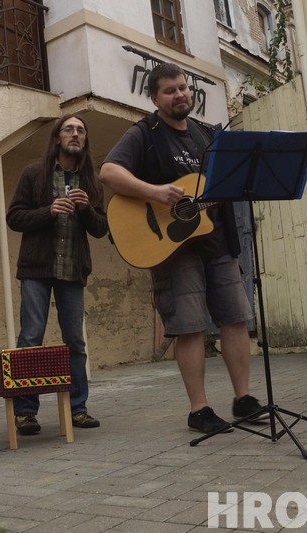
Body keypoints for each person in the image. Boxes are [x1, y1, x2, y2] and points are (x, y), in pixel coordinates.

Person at [99, 63, 266, 434]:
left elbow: (224, 184)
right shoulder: (144, 133)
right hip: (173, 249)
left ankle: (243, 399)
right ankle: (199, 409)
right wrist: (155, 192)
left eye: (183, 88)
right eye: (170, 91)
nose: (179, 95)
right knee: (189, 326)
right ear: (154, 98)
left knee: (235, 318)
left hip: (218, 242)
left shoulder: (207, 135)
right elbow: (109, 172)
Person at [6, 114, 108, 436]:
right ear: (57, 138)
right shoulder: (33, 173)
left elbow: (101, 229)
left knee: (75, 339)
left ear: (85, 140)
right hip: (36, 269)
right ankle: (25, 412)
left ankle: (78, 408)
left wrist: (86, 209)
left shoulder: (91, 180)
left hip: (72, 271)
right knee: (31, 337)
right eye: (69, 129)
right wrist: (48, 211)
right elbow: (14, 217)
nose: (75, 134)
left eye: (81, 130)